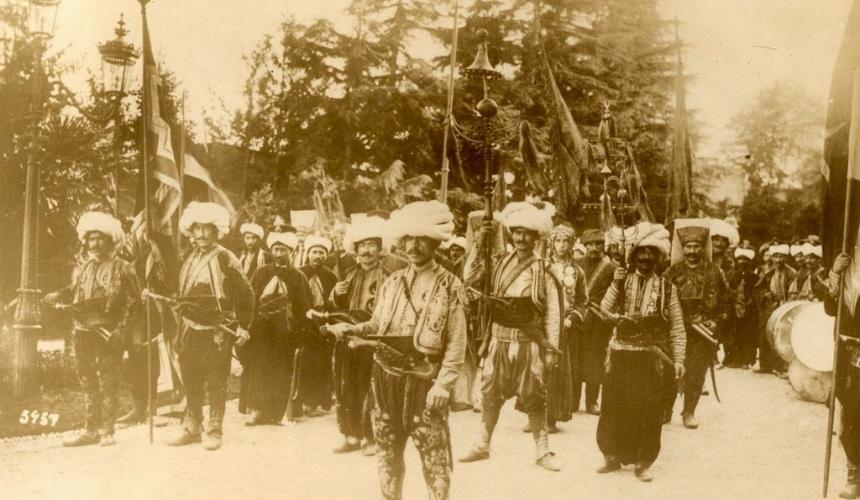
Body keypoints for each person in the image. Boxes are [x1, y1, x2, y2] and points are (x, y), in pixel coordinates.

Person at [327, 200, 466, 500]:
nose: (413, 247)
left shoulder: (450, 285)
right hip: (385, 379)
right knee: (387, 456)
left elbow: (457, 342)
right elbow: (378, 323)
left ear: (435, 242)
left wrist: (443, 384)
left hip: (424, 381)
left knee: (435, 459)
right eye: (408, 239)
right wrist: (352, 328)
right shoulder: (392, 282)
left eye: (421, 240)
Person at [458, 201, 563, 472]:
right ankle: (482, 444)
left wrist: (551, 349)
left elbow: (552, 312)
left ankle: (543, 451)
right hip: (498, 340)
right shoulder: (498, 262)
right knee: (490, 394)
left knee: (535, 396)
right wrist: (480, 242)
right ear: (511, 234)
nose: (521, 238)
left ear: (536, 237)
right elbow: (469, 276)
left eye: (527, 233)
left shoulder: (544, 269)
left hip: (530, 343)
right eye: (517, 232)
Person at [596, 221, 685, 482]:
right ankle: (611, 456)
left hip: (649, 357)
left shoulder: (668, 288)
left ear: (658, 257)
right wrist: (615, 284)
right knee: (614, 408)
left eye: (651, 253)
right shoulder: (621, 280)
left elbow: (677, 325)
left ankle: (643, 461)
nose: (645, 257)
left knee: (648, 410)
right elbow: (604, 311)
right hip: (620, 354)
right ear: (633, 255)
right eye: (641, 252)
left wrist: (679, 359)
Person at [45, 212, 140, 447]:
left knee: (108, 379)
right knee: (87, 379)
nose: (95, 244)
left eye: (100, 238)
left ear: (110, 240)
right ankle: (90, 430)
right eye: (91, 239)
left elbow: (135, 303)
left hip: (109, 332)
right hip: (83, 332)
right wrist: (58, 294)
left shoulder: (124, 268)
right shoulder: (83, 268)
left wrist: (121, 331)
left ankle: (107, 430)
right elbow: (74, 290)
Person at [165, 202, 254, 451]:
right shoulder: (187, 257)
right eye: (198, 228)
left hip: (217, 330)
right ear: (191, 231)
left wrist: (244, 326)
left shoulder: (226, 258)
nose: (202, 234)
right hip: (189, 328)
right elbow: (175, 287)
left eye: (207, 228)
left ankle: (215, 429)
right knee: (190, 377)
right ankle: (192, 425)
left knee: (216, 379)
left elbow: (246, 294)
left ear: (217, 231)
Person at [330, 216, 407, 456]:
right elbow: (337, 308)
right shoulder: (349, 274)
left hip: (375, 338)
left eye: (371, 244)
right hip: (348, 338)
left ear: (379, 247)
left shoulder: (391, 274)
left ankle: (370, 436)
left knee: (371, 388)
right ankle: (350, 435)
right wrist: (336, 293)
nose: (365, 251)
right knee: (347, 387)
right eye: (361, 245)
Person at [239, 231, 313, 425]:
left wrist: (301, 330)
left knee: (282, 371)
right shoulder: (261, 273)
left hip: (285, 332)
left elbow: (304, 306)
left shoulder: (298, 276)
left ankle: (278, 412)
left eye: (283, 250)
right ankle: (258, 410)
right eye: (276, 249)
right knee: (259, 368)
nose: (279, 253)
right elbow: (250, 299)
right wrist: (248, 325)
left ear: (291, 252)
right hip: (262, 330)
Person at [663, 219, 728, 429]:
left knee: (696, 373)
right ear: (682, 248)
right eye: (688, 246)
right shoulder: (670, 273)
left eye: (697, 246)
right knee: (669, 370)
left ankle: (689, 411)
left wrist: (715, 322)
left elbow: (725, 303)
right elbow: (660, 301)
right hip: (675, 331)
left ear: (703, 248)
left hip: (702, 333)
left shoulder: (715, 273)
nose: (692, 251)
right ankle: (665, 410)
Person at [537, 224, 586, 432]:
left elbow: (583, 301)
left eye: (566, 241)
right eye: (558, 240)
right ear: (552, 243)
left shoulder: (577, 272)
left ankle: (551, 418)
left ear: (571, 244)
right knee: (536, 368)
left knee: (556, 370)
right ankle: (533, 414)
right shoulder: (541, 266)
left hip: (564, 329)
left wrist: (572, 318)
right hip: (542, 325)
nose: (562, 245)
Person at [827, 251, 860, 499]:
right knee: (849, 414)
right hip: (848, 353)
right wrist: (835, 274)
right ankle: (854, 475)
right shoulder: (847, 270)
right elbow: (830, 308)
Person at [577, 229, 618, 415]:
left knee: (595, 360)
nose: (594, 248)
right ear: (584, 245)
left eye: (599, 244)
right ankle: (573, 400)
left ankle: (592, 401)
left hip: (599, 320)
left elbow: (617, 295)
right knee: (576, 357)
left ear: (604, 246)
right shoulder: (576, 264)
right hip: (578, 317)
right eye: (591, 244)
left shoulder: (611, 268)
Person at [297, 233, 339, 415]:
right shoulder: (299, 273)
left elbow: (335, 302)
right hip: (303, 323)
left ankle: (317, 402)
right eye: (314, 252)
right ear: (308, 253)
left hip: (323, 322)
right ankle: (300, 402)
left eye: (322, 253)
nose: (318, 256)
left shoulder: (330, 276)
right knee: (304, 362)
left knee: (322, 362)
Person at [753, 243, 796, 374]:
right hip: (769, 308)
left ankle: (780, 367)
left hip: (785, 308)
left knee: (781, 336)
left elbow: (795, 292)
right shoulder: (768, 273)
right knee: (765, 334)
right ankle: (765, 365)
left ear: (786, 258)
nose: (778, 260)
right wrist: (764, 295)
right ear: (771, 257)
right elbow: (757, 289)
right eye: (775, 256)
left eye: (781, 256)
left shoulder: (792, 273)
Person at [724, 246, 759, 368]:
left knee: (747, 335)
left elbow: (756, 293)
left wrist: (749, 303)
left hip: (749, 310)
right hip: (734, 309)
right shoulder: (732, 275)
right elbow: (728, 290)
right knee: (733, 334)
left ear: (750, 261)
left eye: (745, 259)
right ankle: (732, 359)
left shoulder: (754, 277)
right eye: (740, 259)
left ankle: (746, 360)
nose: (742, 262)